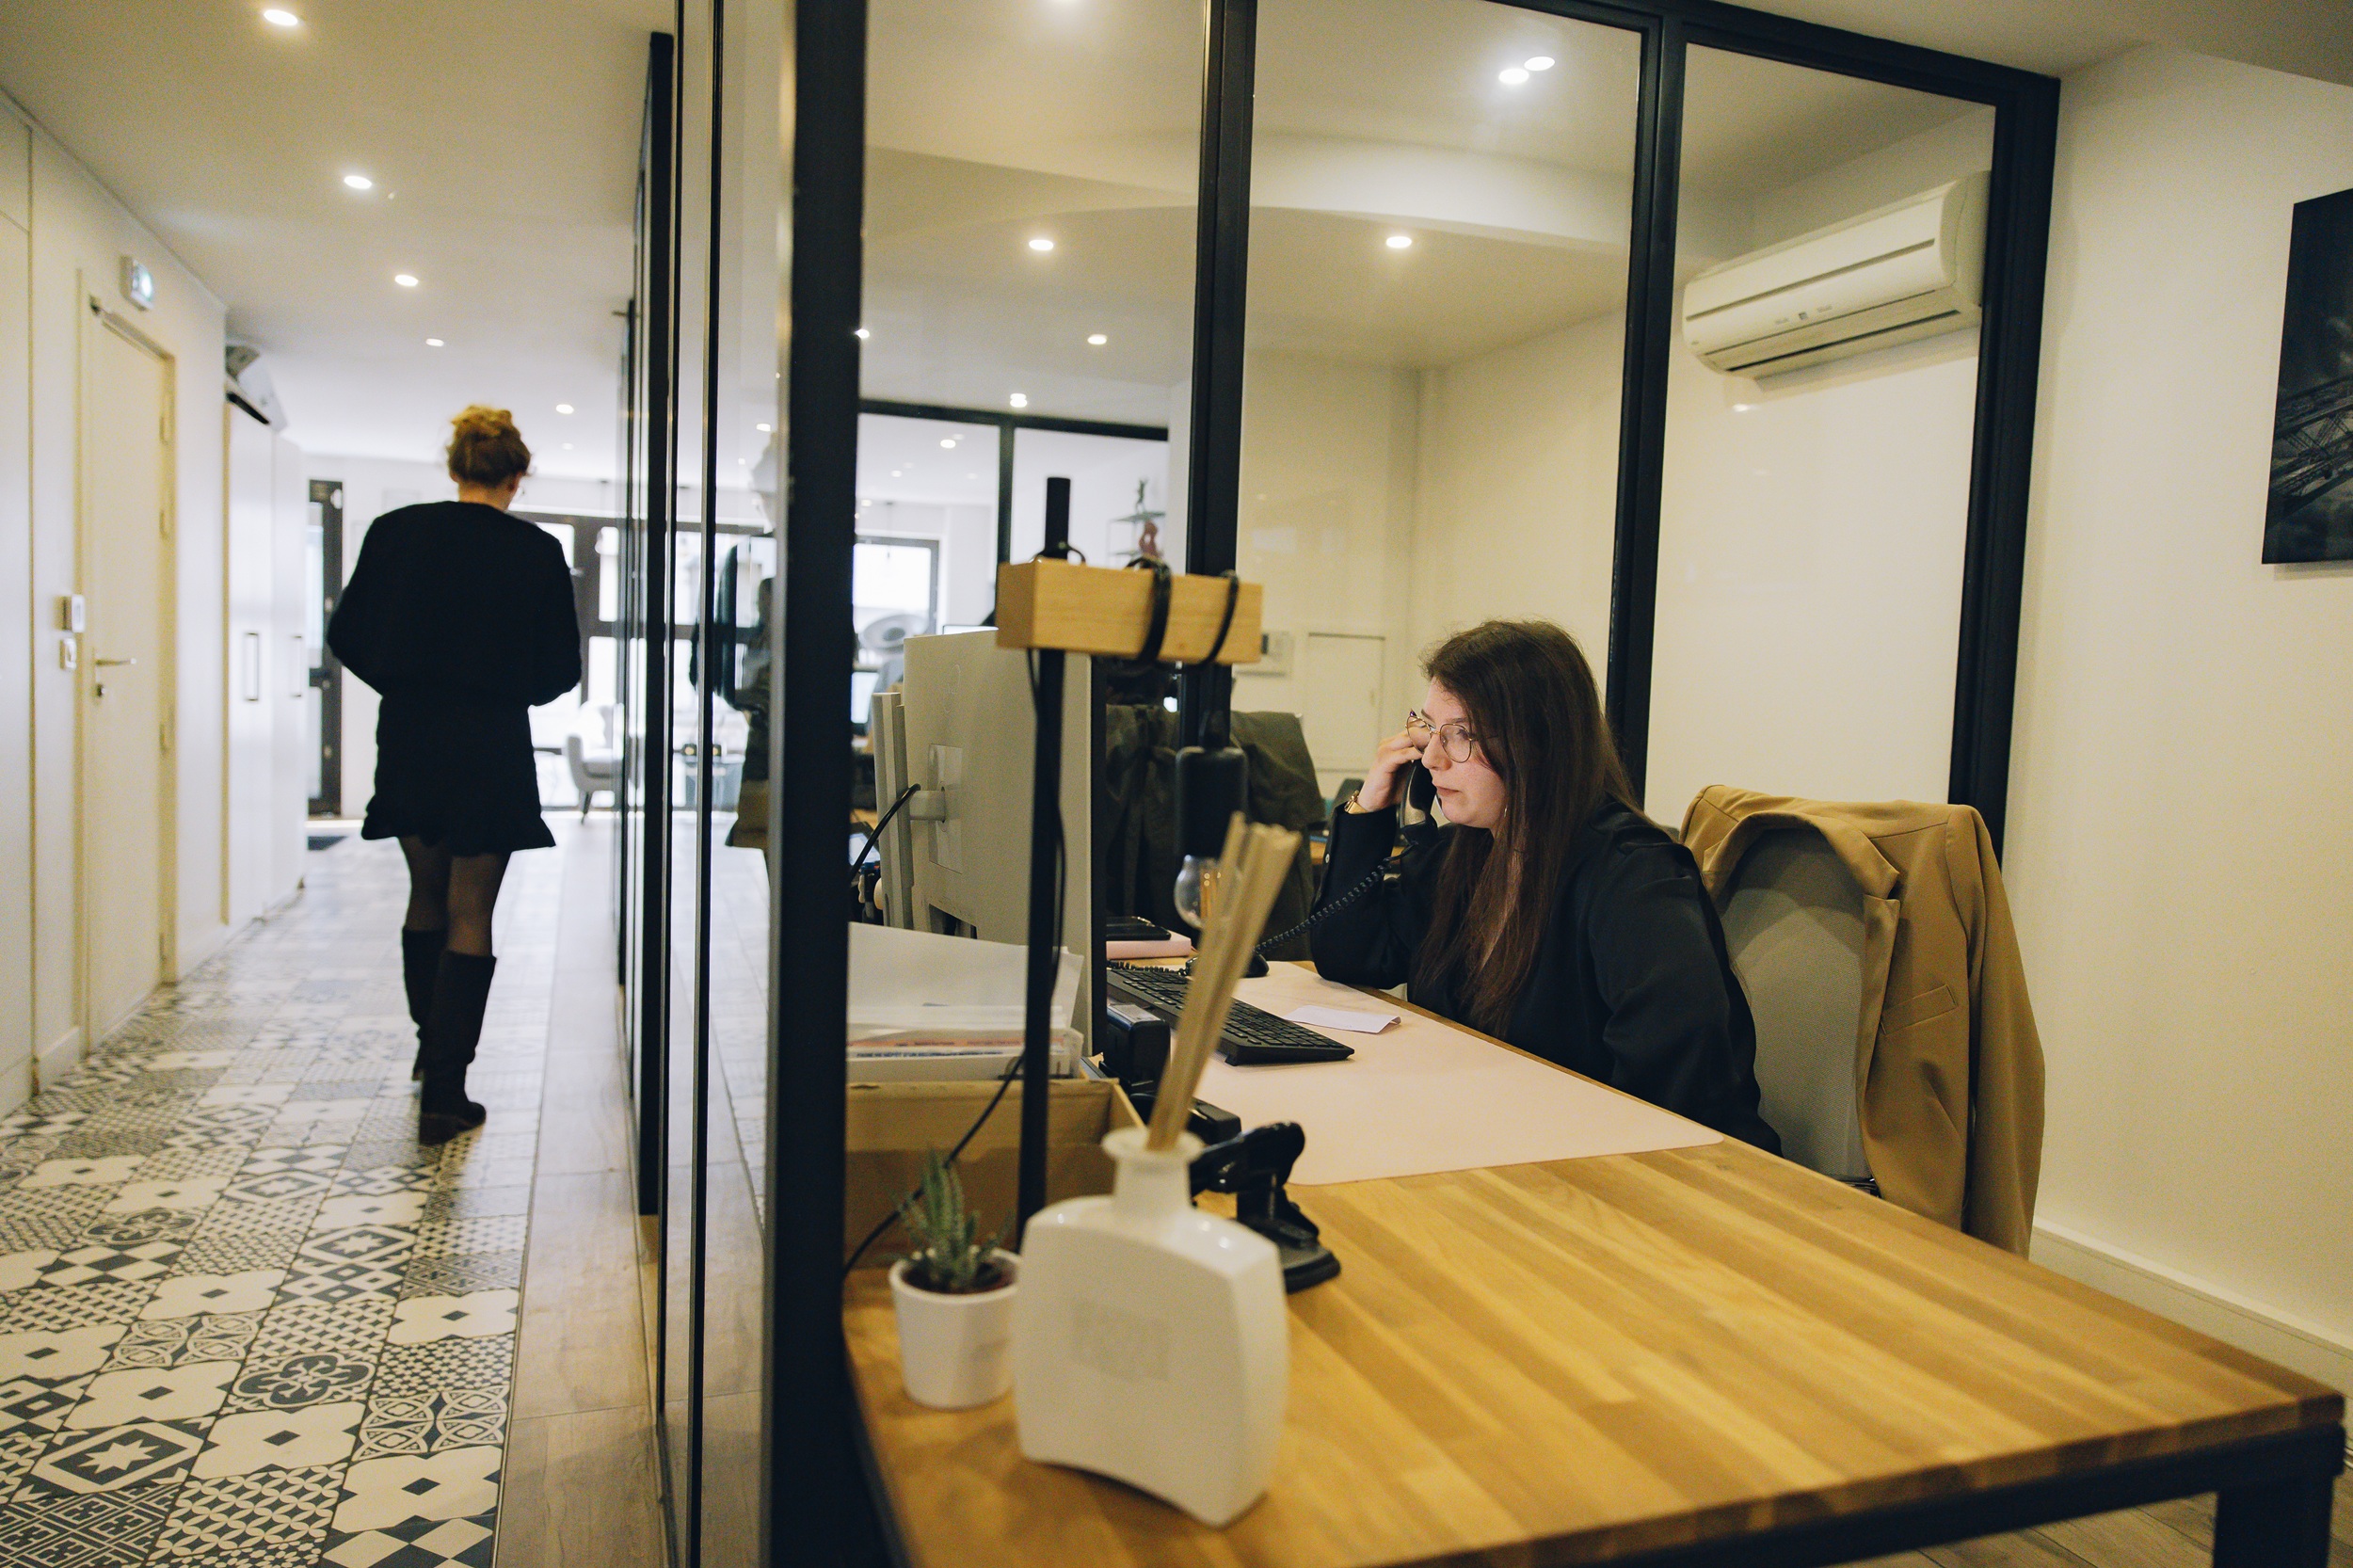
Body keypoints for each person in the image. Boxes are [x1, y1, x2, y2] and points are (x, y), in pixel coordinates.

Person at [1308, 620, 1780, 1150]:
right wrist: (1369, 805)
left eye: (1461, 735)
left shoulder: (1632, 875)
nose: (1433, 758)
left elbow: (1673, 1084)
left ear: (1534, 744)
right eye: (1429, 731)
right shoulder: (1464, 855)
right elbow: (1347, 954)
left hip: (1645, 1174)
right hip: (1502, 1142)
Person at [328, 407, 582, 1144]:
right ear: (517, 475)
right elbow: (560, 668)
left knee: (426, 894)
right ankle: (447, 1087)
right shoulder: (535, 551)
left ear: (456, 467)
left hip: (409, 731)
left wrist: (406, 685)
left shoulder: (396, 532)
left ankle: (426, 1047)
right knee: (474, 910)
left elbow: (348, 635)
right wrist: (503, 691)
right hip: (491, 739)